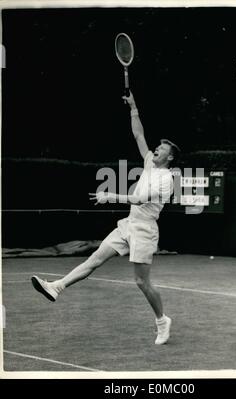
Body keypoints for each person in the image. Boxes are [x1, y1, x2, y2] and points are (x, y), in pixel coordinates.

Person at [31, 91, 181, 345]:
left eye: (161, 150)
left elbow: (139, 199)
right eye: (157, 148)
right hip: (128, 225)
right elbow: (139, 134)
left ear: (170, 157)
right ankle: (57, 287)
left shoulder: (167, 179)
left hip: (145, 230)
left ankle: (162, 320)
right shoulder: (149, 163)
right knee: (94, 260)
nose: (155, 150)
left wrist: (109, 195)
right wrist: (133, 107)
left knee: (141, 282)